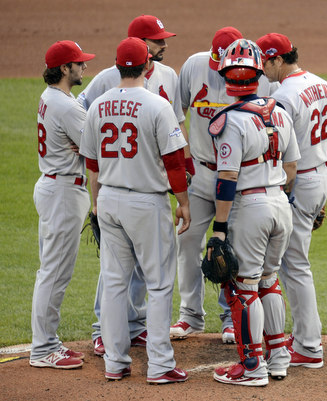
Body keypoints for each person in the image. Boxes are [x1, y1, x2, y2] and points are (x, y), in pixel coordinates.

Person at [77, 14, 190, 356]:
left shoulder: (165, 77)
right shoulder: (108, 83)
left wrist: (95, 199)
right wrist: (183, 196)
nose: (164, 45)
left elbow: (92, 159)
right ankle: (132, 347)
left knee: (124, 272)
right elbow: (172, 155)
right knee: (150, 277)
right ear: (143, 51)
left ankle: (125, 341)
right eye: (157, 41)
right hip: (145, 191)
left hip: (112, 193)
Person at [170, 27, 278, 343]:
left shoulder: (258, 75)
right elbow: (178, 113)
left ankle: (229, 317)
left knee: (230, 248)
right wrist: (186, 158)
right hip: (203, 174)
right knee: (188, 240)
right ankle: (190, 315)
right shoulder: (194, 65)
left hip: (239, 180)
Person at [207, 39, 299, 386]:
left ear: (227, 77)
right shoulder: (280, 111)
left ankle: (252, 367)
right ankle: (278, 357)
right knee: (269, 280)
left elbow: (228, 177)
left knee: (244, 289)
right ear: (259, 75)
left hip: (251, 207)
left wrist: (219, 227)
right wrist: (276, 198)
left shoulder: (230, 120)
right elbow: (291, 167)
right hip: (280, 204)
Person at [256, 33, 327, 368]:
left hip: (297, 181)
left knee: (294, 265)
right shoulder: (324, 85)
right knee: (295, 262)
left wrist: (286, 189)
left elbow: (278, 151)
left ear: (278, 59)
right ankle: (303, 337)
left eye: (265, 63)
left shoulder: (283, 95)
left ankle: (308, 346)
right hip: (319, 175)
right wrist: (319, 181)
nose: (262, 70)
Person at [29, 41, 95, 370]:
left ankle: (48, 341)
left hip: (56, 186)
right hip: (64, 192)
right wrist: (86, 143)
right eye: (78, 63)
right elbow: (96, 147)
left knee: (52, 271)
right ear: (64, 69)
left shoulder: (52, 97)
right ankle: (43, 348)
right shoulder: (67, 107)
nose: (84, 67)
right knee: (54, 273)